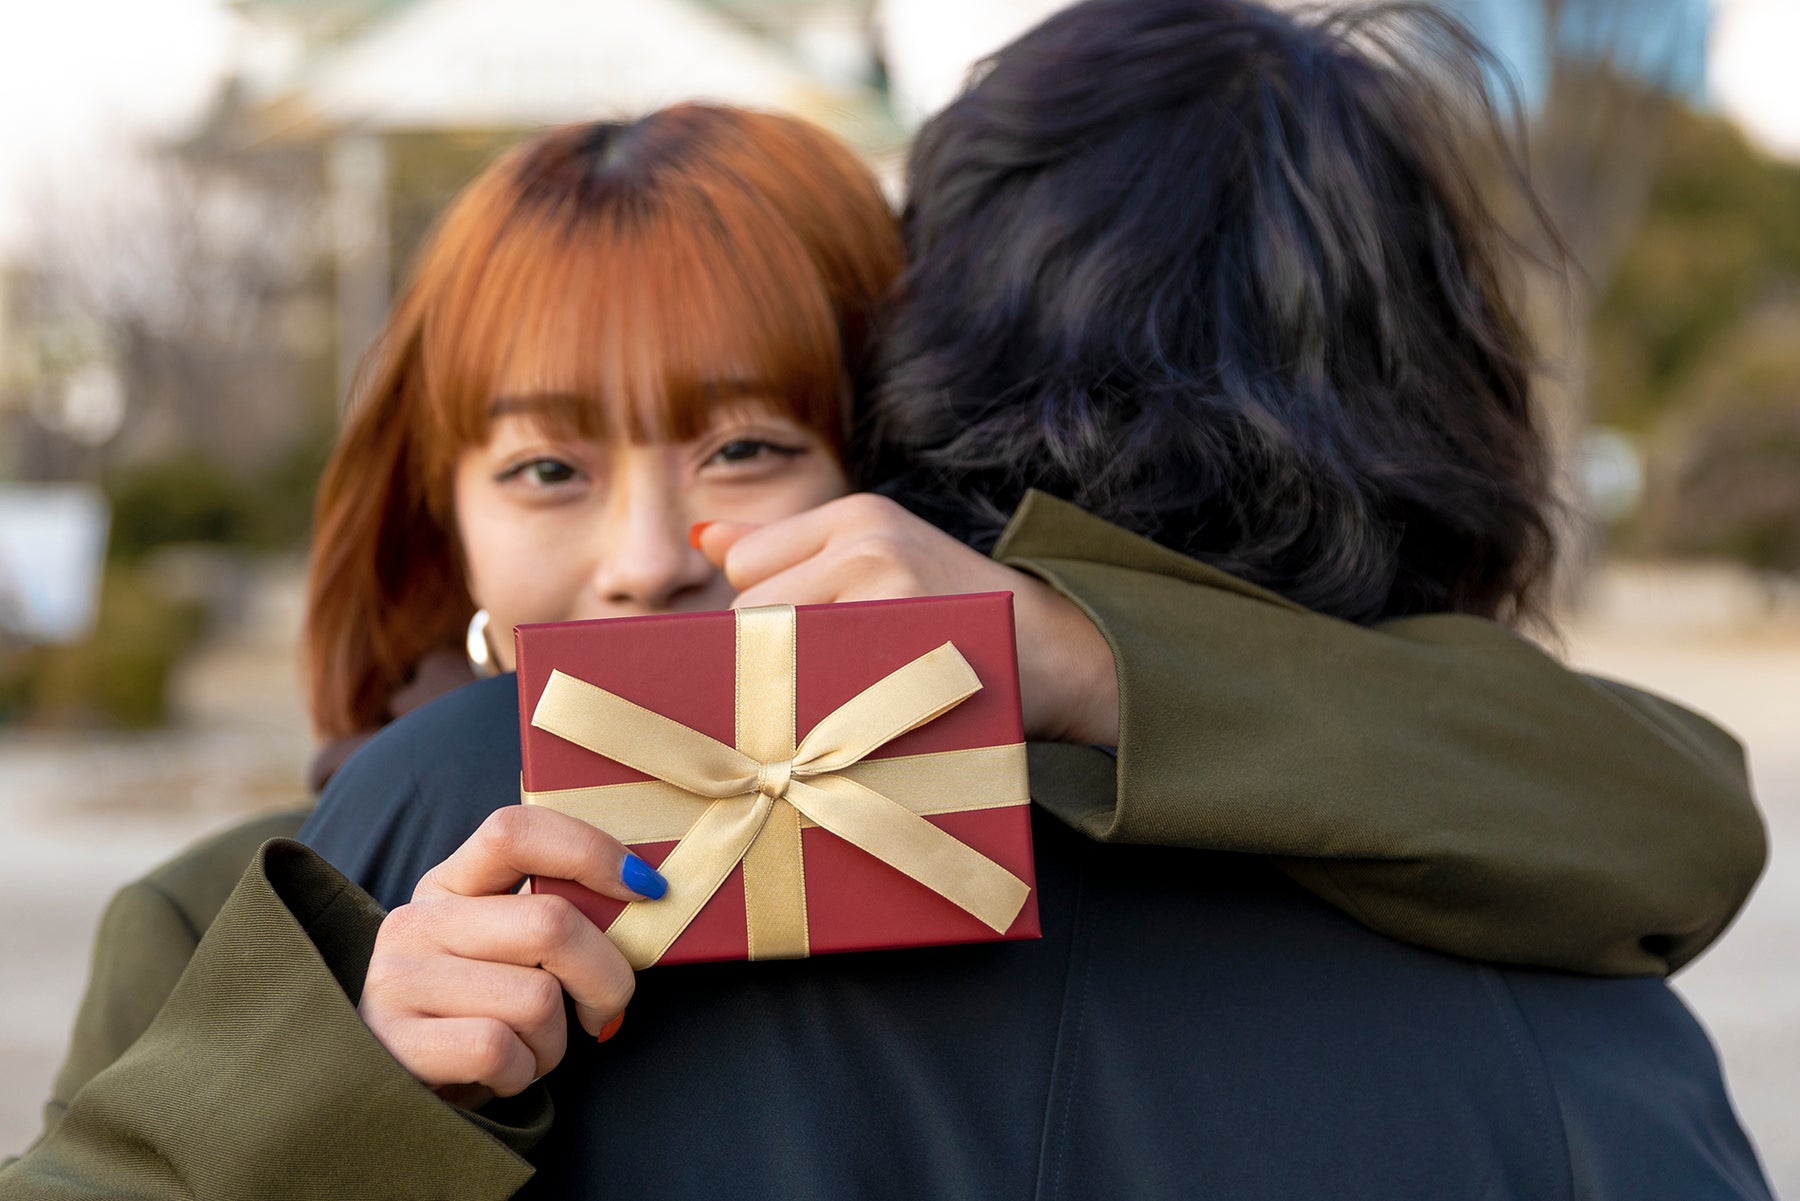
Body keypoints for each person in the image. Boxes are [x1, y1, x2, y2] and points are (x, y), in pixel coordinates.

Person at [4, 7, 1769, 1191]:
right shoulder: (333, 891)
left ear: (898, 441)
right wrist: (347, 1084)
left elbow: (1675, 808)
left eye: (749, 449)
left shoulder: (972, 756)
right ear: (420, 507)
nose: (648, 553)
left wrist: (1084, 649)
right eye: (544, 465)